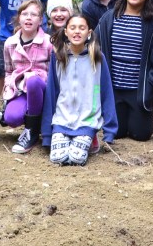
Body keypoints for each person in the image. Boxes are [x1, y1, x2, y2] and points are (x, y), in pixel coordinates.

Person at [97, 0, 153, 141]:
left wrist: (151, 83)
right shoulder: (108, 18)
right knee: (116, 133)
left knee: (141, 134)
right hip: (113, 88)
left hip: (139, 90)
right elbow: (95, 48)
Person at [41, 15, 118, 166]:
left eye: (82, 28)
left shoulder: (97, 57)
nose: (77, 32)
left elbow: (106, 93)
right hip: (62, 119)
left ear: (89, 33)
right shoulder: (58, 57)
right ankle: (74, 139)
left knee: (77, 159)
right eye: (73, 28)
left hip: (87, 120)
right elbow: (51, 92)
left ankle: (90, 137)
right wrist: (47, 134)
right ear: (65, 32)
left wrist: (109, 130)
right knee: (57, 158)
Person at [1, 0, 53, 153]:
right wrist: (8, 92)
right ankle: (31, 120)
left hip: (43, 89)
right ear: (19, 18)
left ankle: (31, 130)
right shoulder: (10, 43)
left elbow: (53, 73)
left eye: (34, 14)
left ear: (41, 20)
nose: (29, 17)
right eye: (25, 14)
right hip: (20, 89)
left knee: (33, 81)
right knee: (11, 118)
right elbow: (9, 71)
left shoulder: (49, 42)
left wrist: (36, 78)